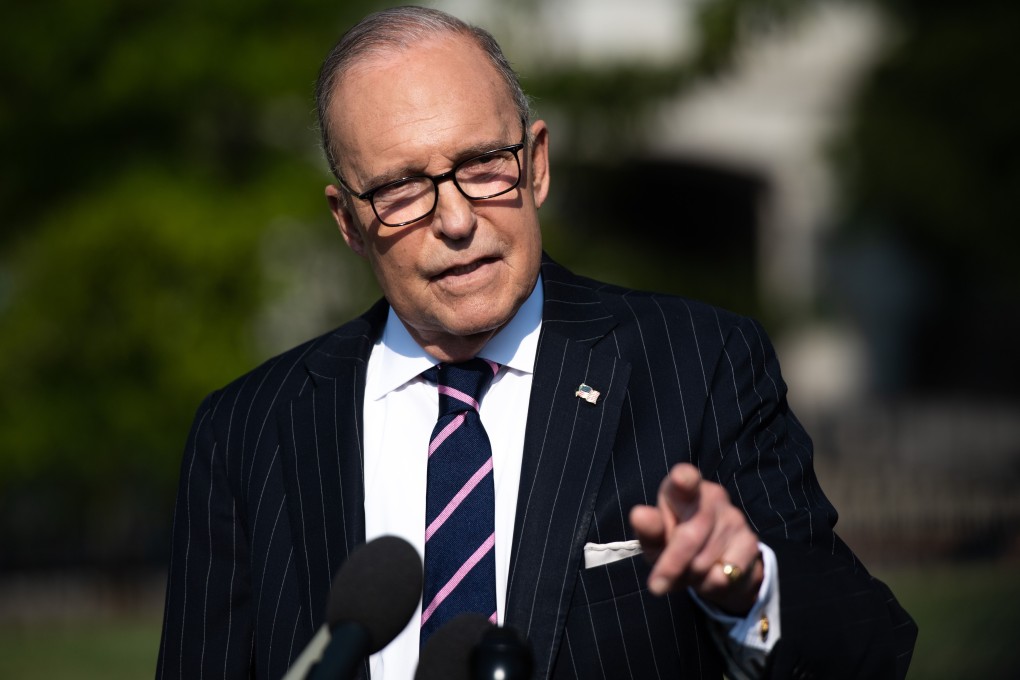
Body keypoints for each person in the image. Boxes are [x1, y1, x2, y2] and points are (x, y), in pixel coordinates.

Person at [156, 6, 916, 679]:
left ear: (537, 163)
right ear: (349, 221)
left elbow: (868, 652)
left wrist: (747, 587)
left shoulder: (699, 364)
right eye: (401, 189)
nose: (456, 220)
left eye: (483, 166)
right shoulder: (247, 432)